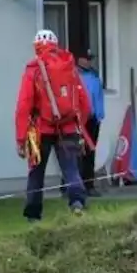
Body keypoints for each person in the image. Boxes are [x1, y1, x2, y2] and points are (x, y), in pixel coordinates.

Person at [15, 30, 91, 222]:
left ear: (36, 46)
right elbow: (85, 103)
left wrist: (21, 138)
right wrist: (78, 125)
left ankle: (33, 215)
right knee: (71, 169)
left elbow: (24, 105)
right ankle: (77, 204)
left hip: (41, 130)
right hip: (68, 129)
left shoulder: (33, 69)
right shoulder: (69, 67)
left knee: (36, 172)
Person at [76, 49, 105, 196]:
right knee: (76, 153)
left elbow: (99, 98)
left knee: (90, 152)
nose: (89, 61)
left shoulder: (94, 76)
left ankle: (89, 185)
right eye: (87, 59)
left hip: (93, 120)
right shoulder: (73, 75)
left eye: (90, 59)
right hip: (78, 119)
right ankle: (72, 186)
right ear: (80, 60)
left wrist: (100, 116)